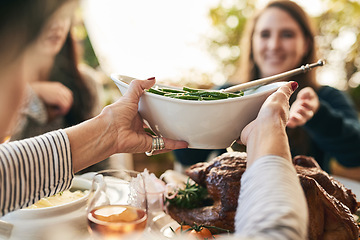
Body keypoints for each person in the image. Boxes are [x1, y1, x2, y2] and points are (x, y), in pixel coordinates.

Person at [0, 0, 188, 217]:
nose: (56, 26)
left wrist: (109, 134)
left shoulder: (85, 83)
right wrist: (31, 95)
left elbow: (7, 174)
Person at [174, 0, 360, 176]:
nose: (274, 45)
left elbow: (355, 155)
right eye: (265, 34)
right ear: (252, 43)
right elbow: (187, 156)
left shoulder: (325, 97)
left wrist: (318, 115)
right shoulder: (227, 93)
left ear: (306, 44)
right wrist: (184, 118)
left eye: (287, 34)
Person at [11, 4, 100, 141]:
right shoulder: (6, 86)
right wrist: (30, 94)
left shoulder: (86, 82)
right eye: (49, 15)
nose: (58, 24)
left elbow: (103, 158)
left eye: (63, 15)